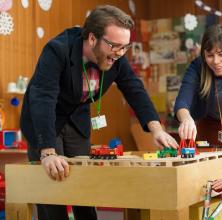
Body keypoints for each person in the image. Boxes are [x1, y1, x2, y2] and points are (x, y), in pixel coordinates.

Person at [20, 5, 178, 220]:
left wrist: (156, 129)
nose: (120, 54)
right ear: (93, 39)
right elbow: (43, 98)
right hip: (45, 121)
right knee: (52, 194)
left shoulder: (117, 57)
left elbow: (135, 89)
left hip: (77, 121)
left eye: (125, 47)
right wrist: (47, 152)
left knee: (85, 191)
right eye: (115, 46)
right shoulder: (57, 49)